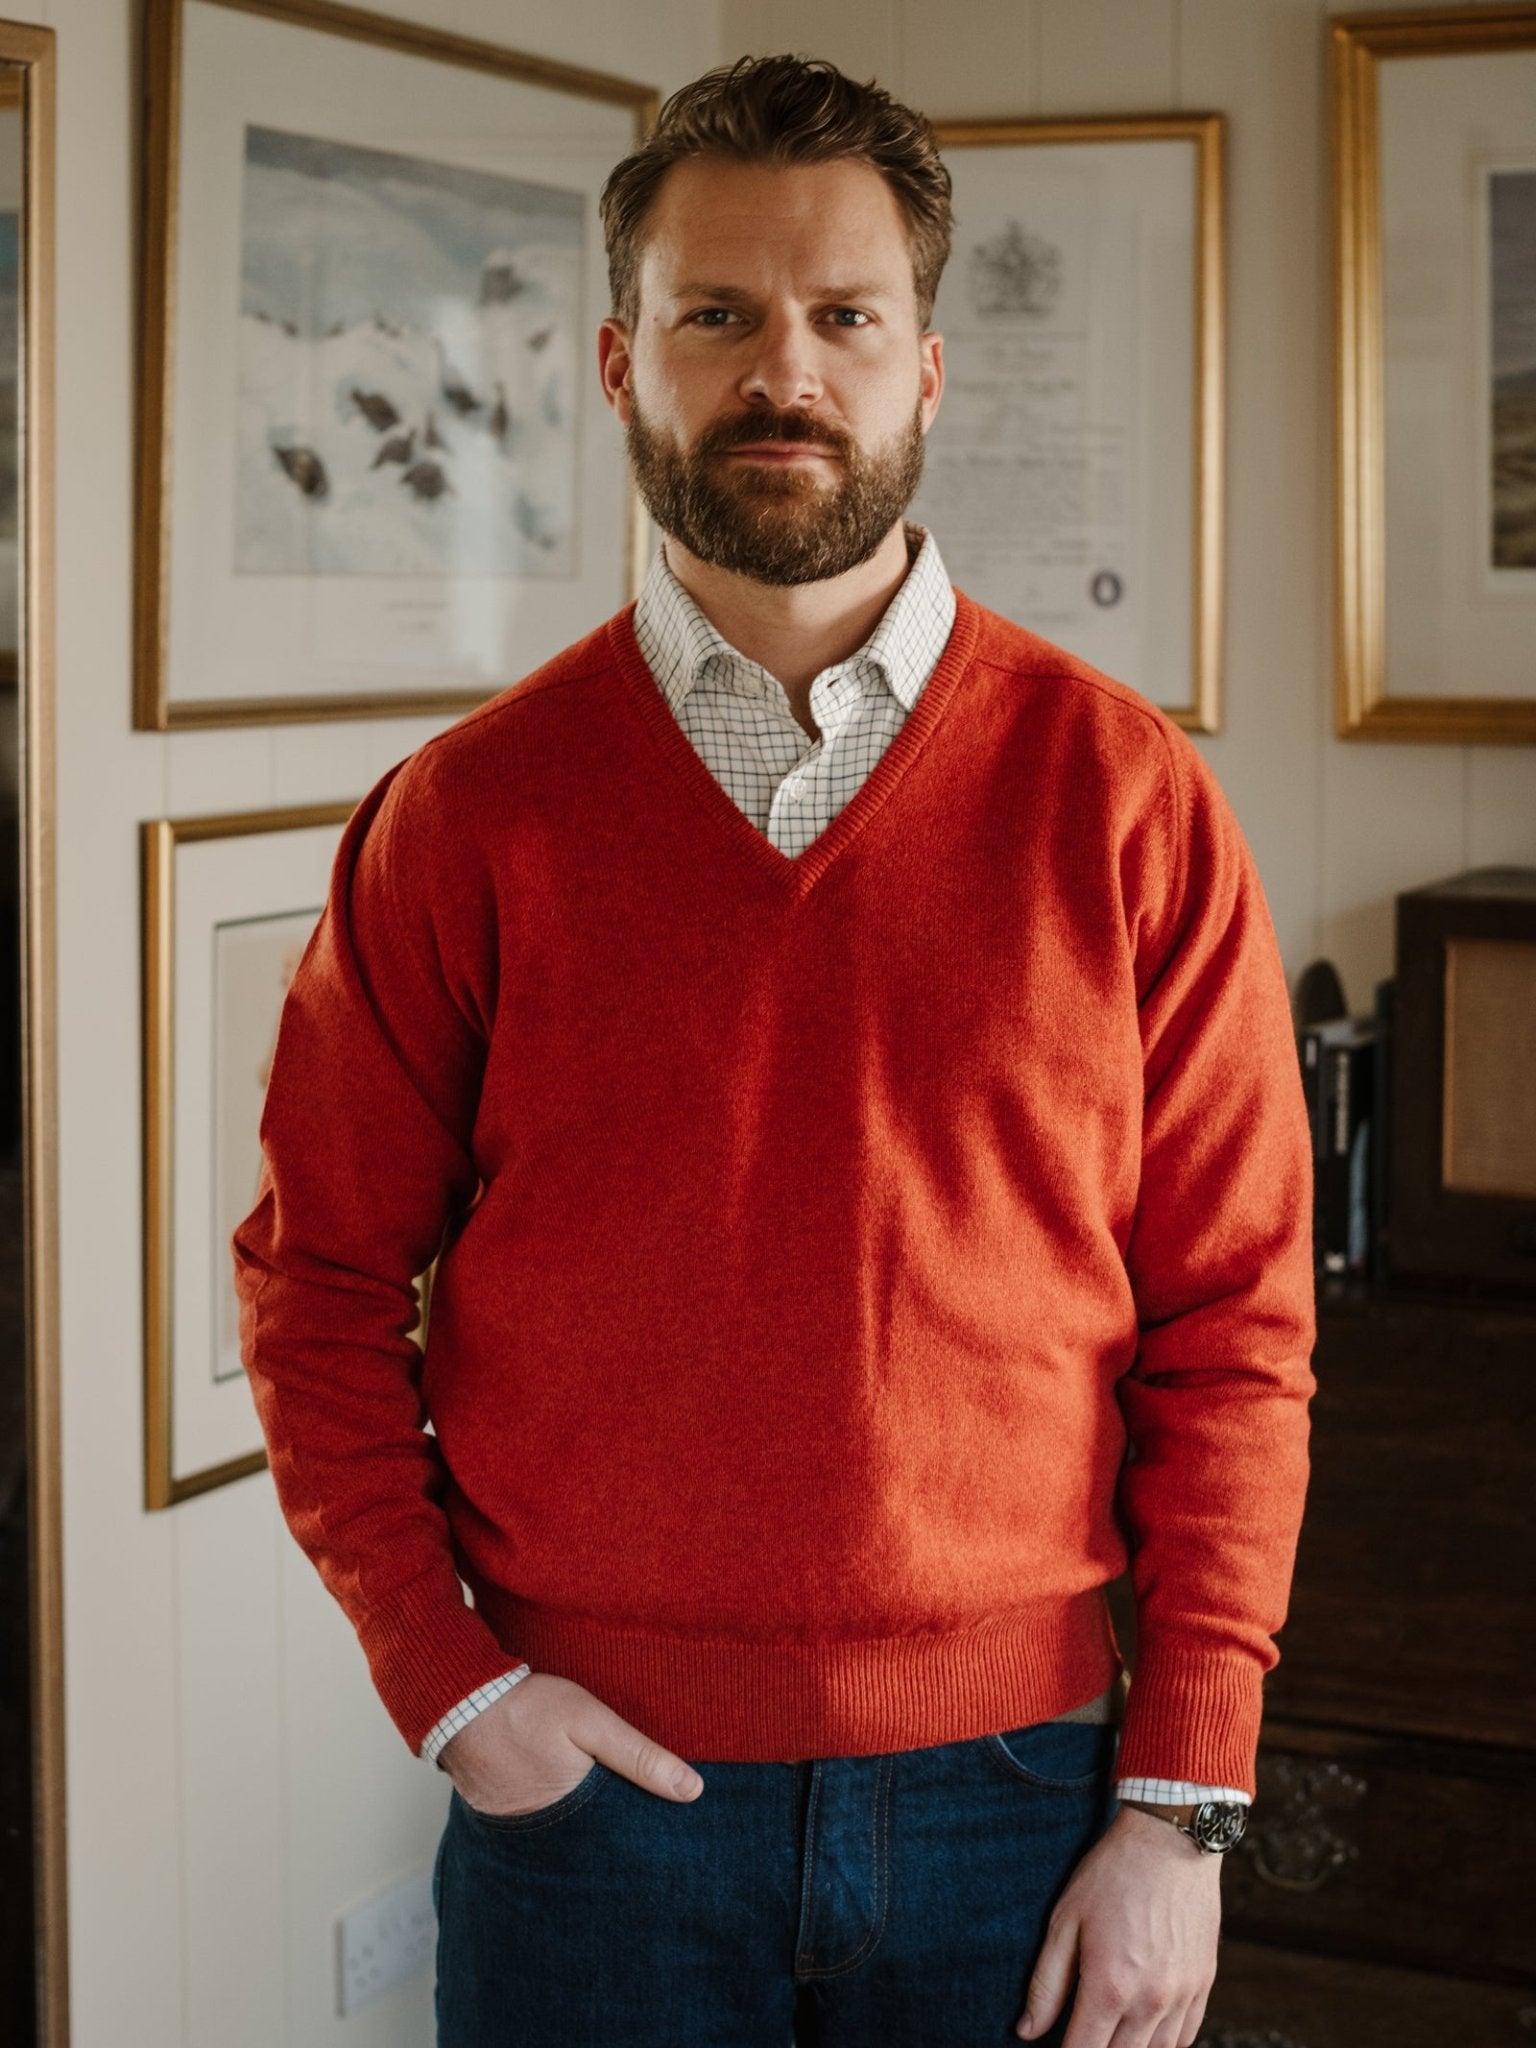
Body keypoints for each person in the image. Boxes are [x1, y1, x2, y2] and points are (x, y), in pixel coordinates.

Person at [232, 53, 1315, 2048]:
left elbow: (1234, 1322)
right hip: (595, 1813)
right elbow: (310, 1287)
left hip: (1028, 1803)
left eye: (843, 315)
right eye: (719, 314)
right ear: (624, 362)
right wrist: (450, 1684)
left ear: (925, 370)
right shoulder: (469, 817)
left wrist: (1184, 1801)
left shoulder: (1125, 797)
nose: (781, 370)